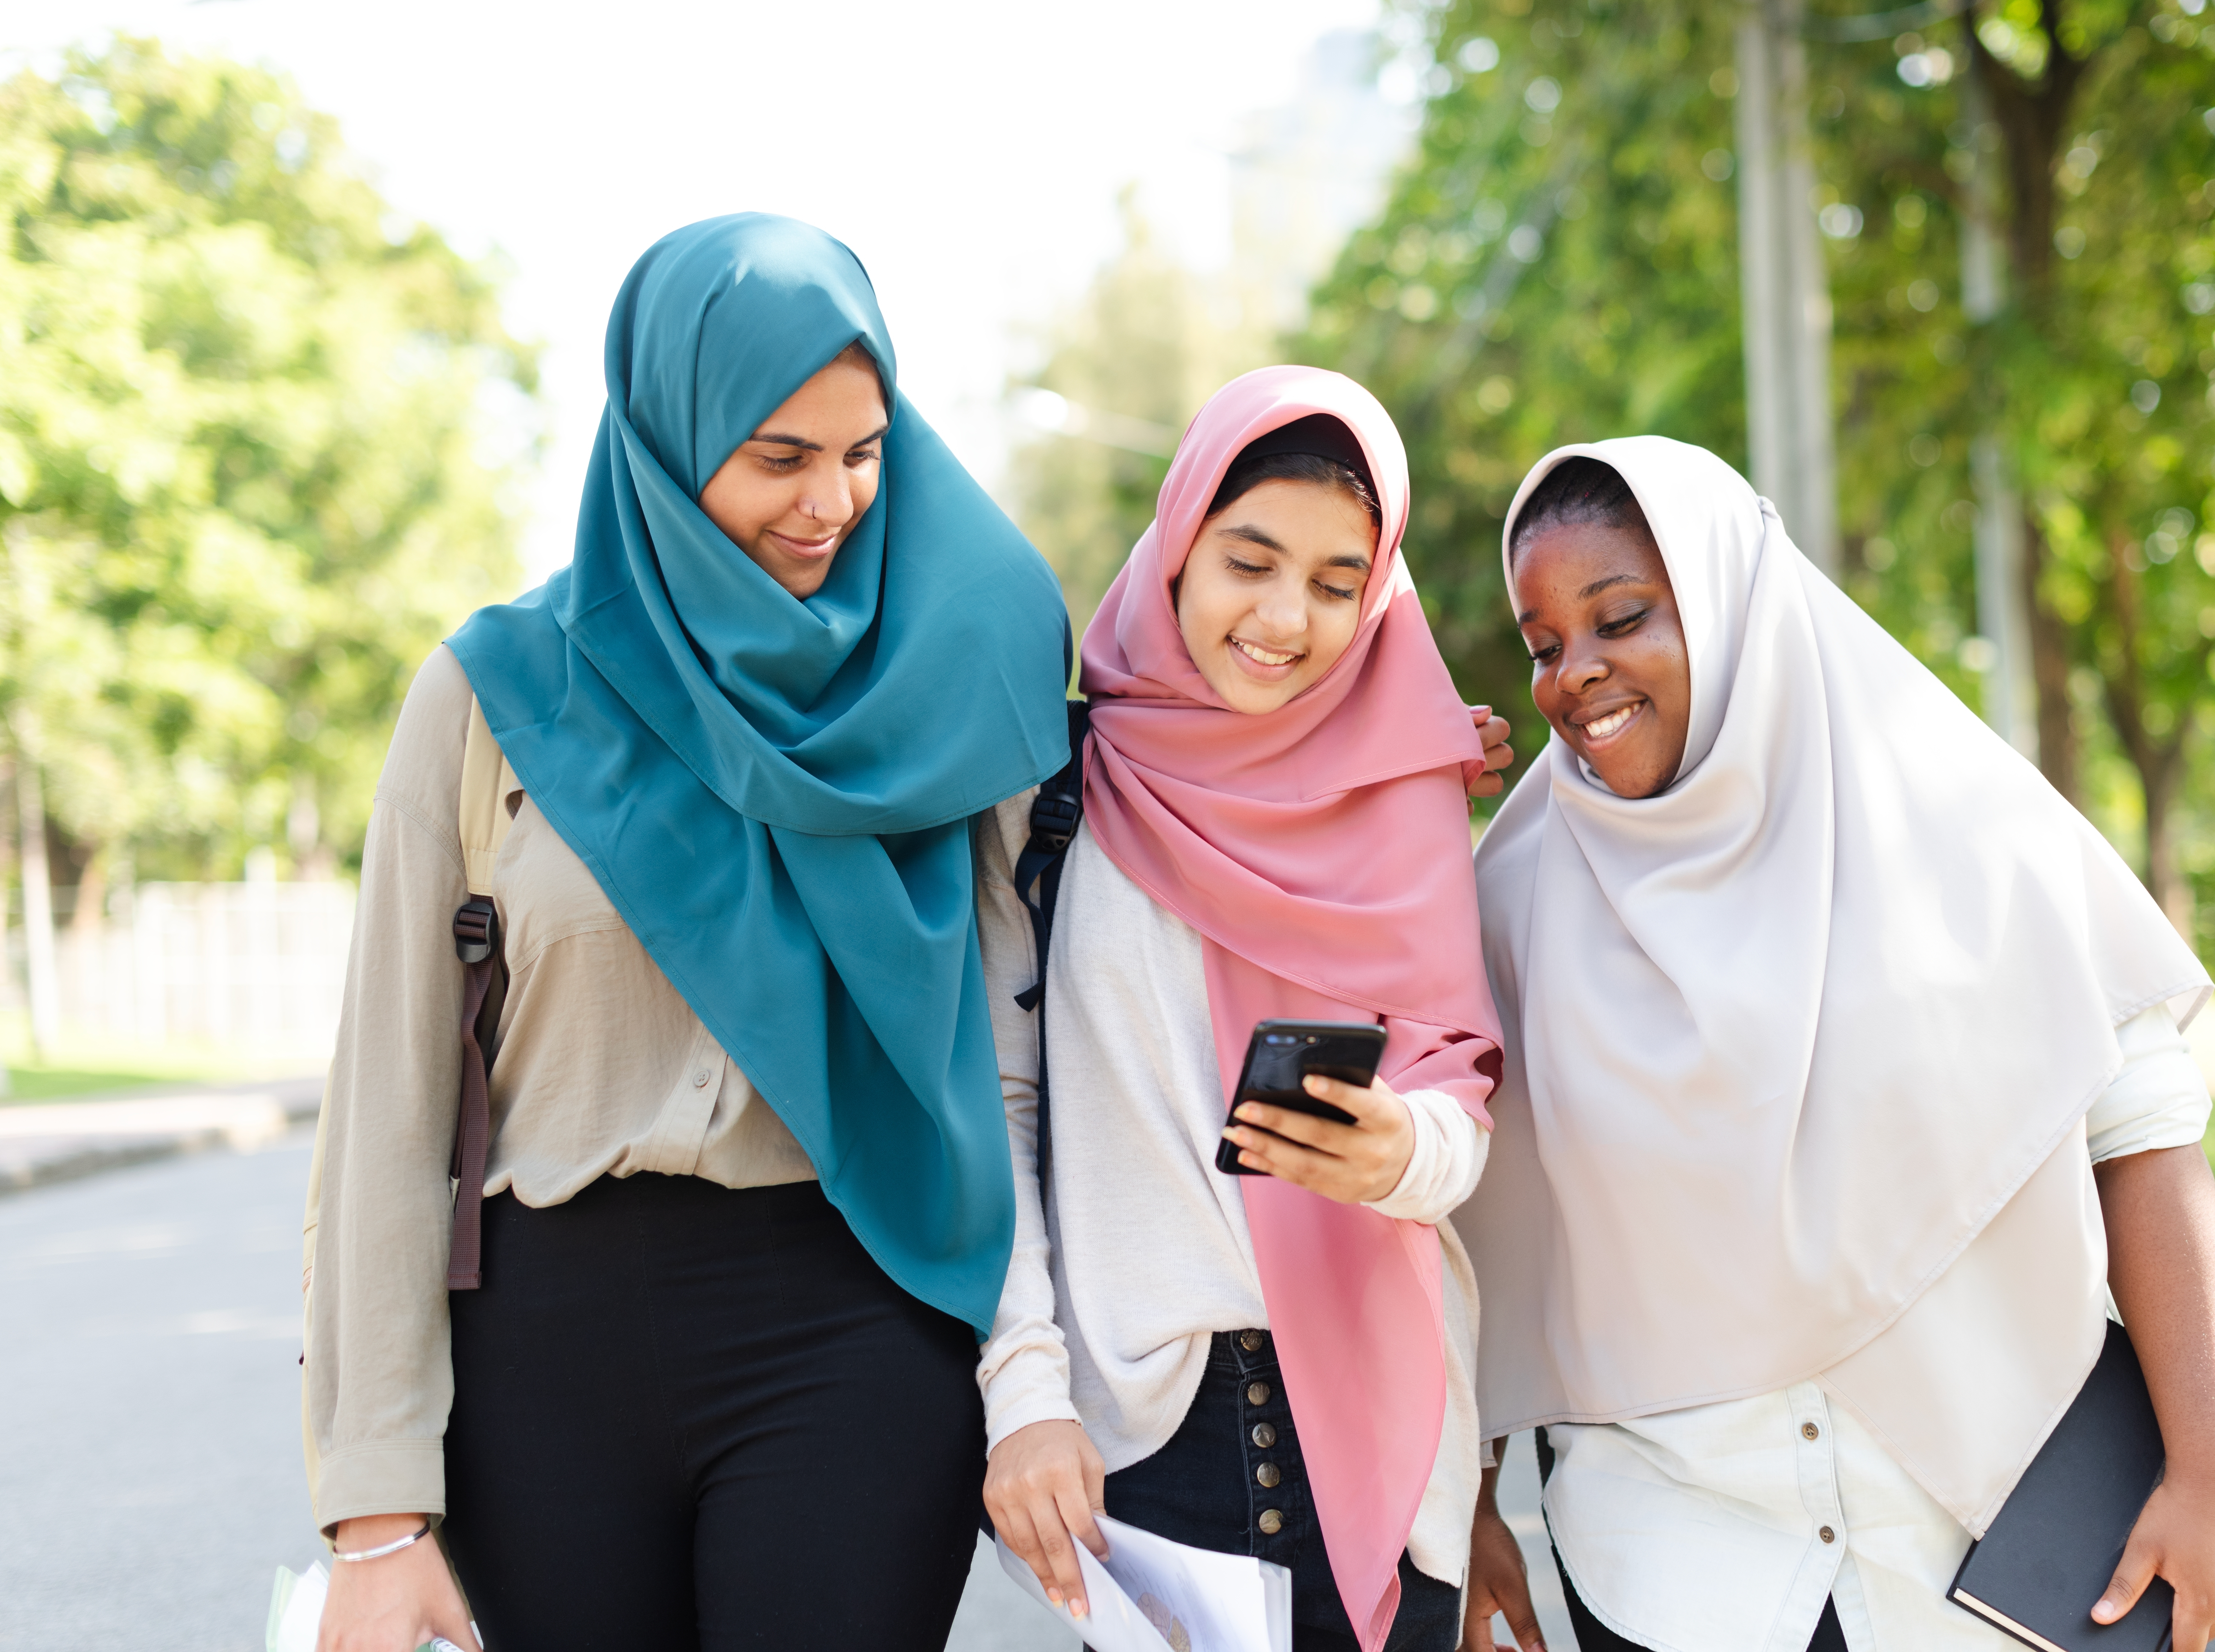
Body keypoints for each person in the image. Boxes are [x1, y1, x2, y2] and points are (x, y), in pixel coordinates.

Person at [301, 214, 1073, 1652]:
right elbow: (387, 1121)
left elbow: (1159, 806)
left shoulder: (936, 697)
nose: (831, 502)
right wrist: (378, 1509)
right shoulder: (491, 695)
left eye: (862, 451)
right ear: (664, 438)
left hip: (855, 1314)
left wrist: (1394, 762)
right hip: (548, 1354)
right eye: (779, 456)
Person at [1455, 439, 2215, 1652]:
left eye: (1620, 616)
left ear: (1739, 609)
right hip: (1672, 1566)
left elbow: (2145, 1138)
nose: (1577, 674)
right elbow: (1484, 1233)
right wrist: (1463, 1509)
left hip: (1989, 1555)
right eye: (1542, 645)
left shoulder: (1975, 830)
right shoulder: (1514, 901)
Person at [974, 367, 1506, 1652]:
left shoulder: (1409, 795)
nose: (1285, 619)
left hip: (1383, 1427)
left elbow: (1462, 1105)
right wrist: (1022, 1392)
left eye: (1337, 584)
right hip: (1139, 1434)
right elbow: (1000, 1106)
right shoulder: (1056, 793)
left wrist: (1399, 1154)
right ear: (1176, 550)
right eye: (1248, 562)